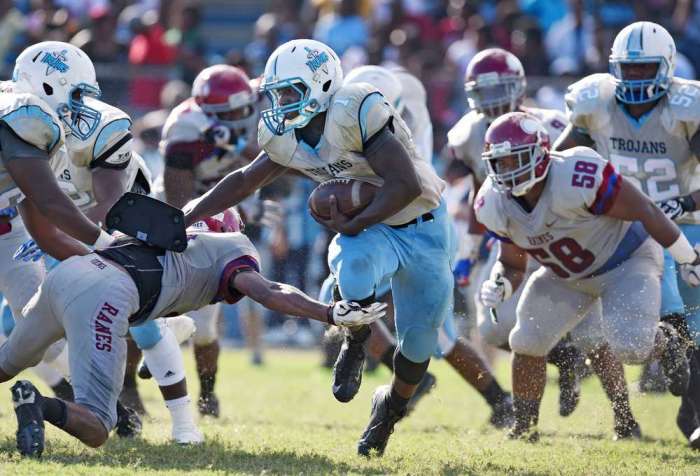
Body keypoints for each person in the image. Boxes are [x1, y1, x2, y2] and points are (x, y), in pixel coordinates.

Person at [183, 39, 452, 457]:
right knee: (354, 270)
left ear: (323, 84)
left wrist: (354, 219)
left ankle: (389, 409)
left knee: (418, 344)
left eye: (291, 91)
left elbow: (406, 185)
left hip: (422, 224)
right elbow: (244, 181)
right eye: (277, 93)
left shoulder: (354, 109)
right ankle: (356, 341)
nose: (282, 102)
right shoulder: (284, 131)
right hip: (372, 228)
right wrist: (185, 216)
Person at [3, 206, 386, 457]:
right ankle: (38, 404)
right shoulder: (229, 246)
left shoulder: (155, 237)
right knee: (99, 426)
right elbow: (269, 291)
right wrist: (329, 313)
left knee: (6, 362)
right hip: (107, 294)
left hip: (70, 273)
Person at [475, 111, 700, 441]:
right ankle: (524, 429)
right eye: (501, 163)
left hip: (625, 262)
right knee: (526, 340)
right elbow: (512, 263)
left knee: (632, 347)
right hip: (566, 277)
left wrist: (687, 257)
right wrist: (500, 283)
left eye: (516, 159)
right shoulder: (493, 203)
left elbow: (645, 209)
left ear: (540, 153)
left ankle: (666, 343)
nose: (508, 170)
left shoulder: (576, 173)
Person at [319, 64, 513, 428]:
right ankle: (416, 371)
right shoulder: (366, 111)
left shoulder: (397, 129)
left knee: (437, 333)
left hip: (415, 233)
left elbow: (397, 190)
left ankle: (498, 398)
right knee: (341, 293)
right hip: (382, 231)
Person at [12, 76, 203, 443]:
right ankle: (111, 406)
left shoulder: (101, 126)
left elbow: (112, 203)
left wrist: (61, 235)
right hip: (66, 231)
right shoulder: (26, 133)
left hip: (124, 223)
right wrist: (45, 234)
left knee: (142, 324)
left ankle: (183, 424)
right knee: (26, 323)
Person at [555, 21, 700, 444]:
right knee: (669, 316)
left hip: (685, 226)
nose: (635, 78)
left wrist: (687, 203)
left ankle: (690, 411)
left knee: (695, 322)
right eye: (628, 69)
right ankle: (688, 408)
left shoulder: (685, 108)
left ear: (667, 66)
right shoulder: (595, 103)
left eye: (645, 69)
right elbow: (559, 163)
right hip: (625, 231)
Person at [446, 47, 589, 418]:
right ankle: (562, 356)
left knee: (597, 333)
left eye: (500, 90)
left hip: (564, 237)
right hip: (513, 239)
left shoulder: (552, 124)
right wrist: (468, 251)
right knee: (494, 325)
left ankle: (625, 418)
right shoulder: (471, 133)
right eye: (484, 92)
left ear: (519, 87)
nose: (492, 102)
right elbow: (481, 195)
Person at [159, 64, 279, 417]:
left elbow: (270, 161)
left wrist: (240, 146)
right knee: (156, 309)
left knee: (206, 325)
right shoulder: (184, 131)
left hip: (229, 202)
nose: (237, 117)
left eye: (240, 111)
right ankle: (133, 387)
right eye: (226, 115)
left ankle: (208, 394)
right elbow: (179, 207)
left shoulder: (259, 96)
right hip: (190, 213)